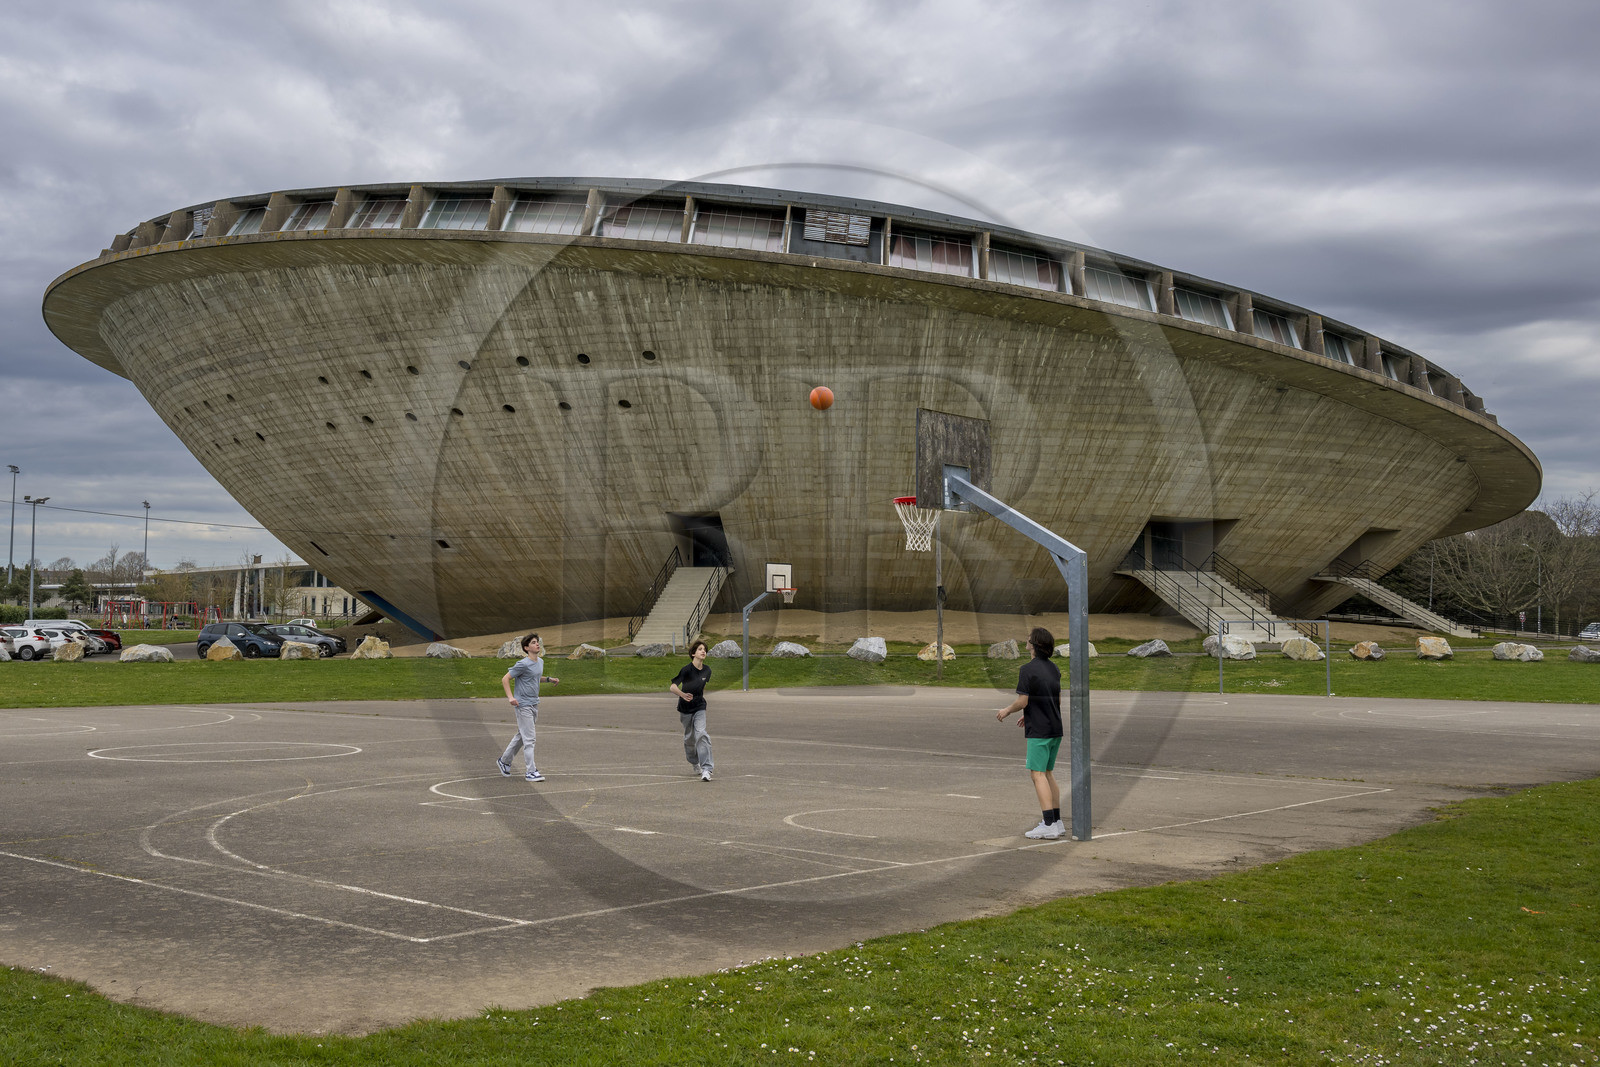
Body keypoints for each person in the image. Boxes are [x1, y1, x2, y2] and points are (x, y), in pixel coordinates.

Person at [994, 626, 1065, 839]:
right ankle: (1057, 821)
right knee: (1048, 773)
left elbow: (1023, 700)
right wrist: (1030, 713)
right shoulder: (1054, 668)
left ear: (1034, 645)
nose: (1026, 641)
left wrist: (1007, 710)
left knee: (1037, 774)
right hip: (1055, 727)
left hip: (1040, 731)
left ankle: (1048, 823)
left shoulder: (1027, 669)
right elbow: (1056, 699)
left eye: (1029, 639)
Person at [497, 633, 558, 782]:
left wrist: (549, 679)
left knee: (522, 736)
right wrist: (511, 697)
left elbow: (535, 677)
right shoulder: (522, 664)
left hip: (534, 704)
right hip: (522, 705)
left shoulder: (540, 662)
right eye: (533, 642)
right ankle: (531, 771)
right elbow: (505, 679)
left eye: (537, 642)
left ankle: (504, 761)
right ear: (526, 647)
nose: (537, 644)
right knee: (529, 739)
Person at [670, 639, 714, 781]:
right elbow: (673, 687)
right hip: (685, 709)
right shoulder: (686, 670)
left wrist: (698, 698)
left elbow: (702, 687)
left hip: (700, 707)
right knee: (690, 738)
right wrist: (683, 695)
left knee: (701, 734)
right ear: (693, 653)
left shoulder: (707, 670)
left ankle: (706, 768)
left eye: (705, 650)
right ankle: (694, 762)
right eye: (700, 649)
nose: (703, 651)